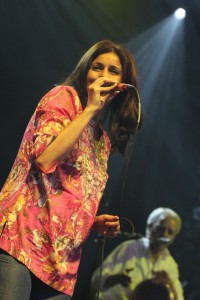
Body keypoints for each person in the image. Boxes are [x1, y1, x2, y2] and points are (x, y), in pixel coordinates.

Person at [0, 40, 142, 300]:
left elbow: (72, 196)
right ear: (85, 70)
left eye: (113, 71)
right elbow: (45, 159)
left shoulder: (102, 141)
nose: (103, 75)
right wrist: (90, 109)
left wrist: (94, 223)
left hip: (61, 264)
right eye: (97, 67)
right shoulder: (63, 98)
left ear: (122, 85)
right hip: (21, 238)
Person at [90, 207, 184, 300]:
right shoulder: (129, 248)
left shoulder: (170, 265)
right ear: (149, 226)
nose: (164, 235)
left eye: (170, 232)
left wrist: (169, 284)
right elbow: (96, 282)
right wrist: (117, 278)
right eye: (160, 228)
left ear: (174, 236)